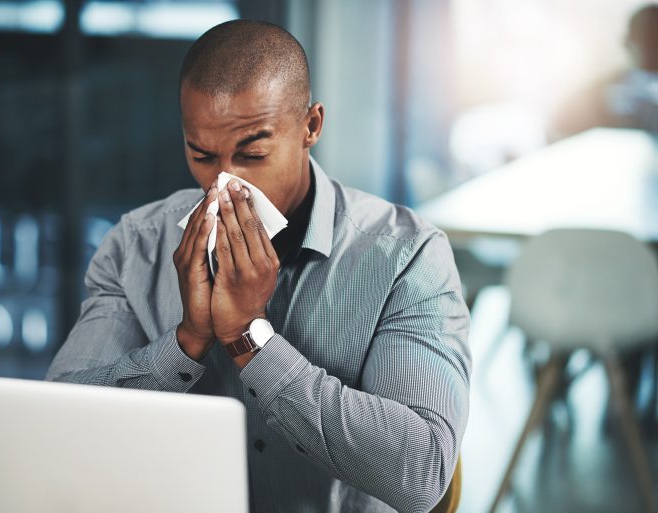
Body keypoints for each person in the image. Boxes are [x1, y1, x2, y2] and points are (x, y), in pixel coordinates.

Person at [47, 19, 470, 513]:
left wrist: (251, 338)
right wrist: (186, 343)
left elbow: (423, 472)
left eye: (252, 153)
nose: (226, 183)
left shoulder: (407, 255)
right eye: (202, 155)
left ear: (311, 125)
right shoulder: (135, 245)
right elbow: (57, 428)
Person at [551, 3, 658, 139]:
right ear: (626, 43)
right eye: (647, 39)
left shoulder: (606, 88)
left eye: (654, 39)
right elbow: (562, 124)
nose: (652, 49)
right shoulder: (603, 91)